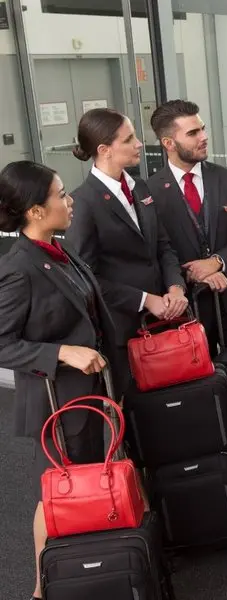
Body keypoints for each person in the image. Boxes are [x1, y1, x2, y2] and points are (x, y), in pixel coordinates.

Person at [0, 161, 119, 600]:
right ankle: (41, 588)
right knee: (57, 495)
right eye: (61, 195)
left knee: (83, 488)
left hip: (86, 398)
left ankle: (91, 571)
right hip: (57, 405)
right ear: (35, 211)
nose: (70, 202)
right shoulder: (19, 268)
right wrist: (61, 353)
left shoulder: (57, 251)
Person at [66, 108, 189, 394]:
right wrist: (145, 300)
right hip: (124, 329)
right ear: (104, 150)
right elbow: (85, 279)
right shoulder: (83, 203)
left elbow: (162, 245)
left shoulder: (140, 187)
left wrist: (176, 286)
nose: (139, 144)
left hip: (166, 318)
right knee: (139, 409)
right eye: (129, 139)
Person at [146, 100, 227, 352]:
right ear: (168, 143)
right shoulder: (150, 191)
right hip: (189, 313)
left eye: (202, 129)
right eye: (193, 133)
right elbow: (157, 250)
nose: (204, 137)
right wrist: (193, 273)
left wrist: (216, 262)